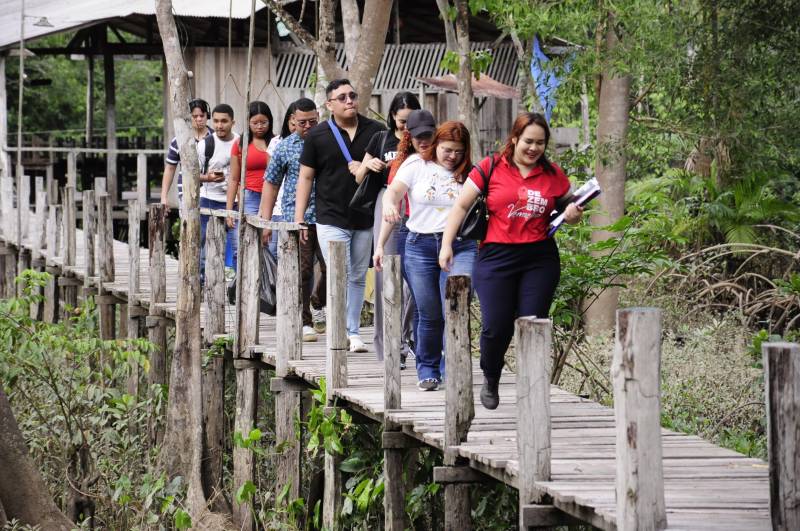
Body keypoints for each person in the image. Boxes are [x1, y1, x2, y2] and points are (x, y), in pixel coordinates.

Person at [438, 112, 584, 409]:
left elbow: (571, 210)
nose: (533, 148)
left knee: (534, 324)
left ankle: (531, 390)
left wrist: (573, 215)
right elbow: (461, 206)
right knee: (496, 325)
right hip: (496, 256)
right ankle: (491, 376)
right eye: (528, 141)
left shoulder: (553, 174)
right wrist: (446, 245)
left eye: (540, 143)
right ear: (515, 138)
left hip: (539, 257)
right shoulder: (490, 168)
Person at [375, 121, 477, 391]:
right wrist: (387, 206)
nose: (451, 156)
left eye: (458, 151)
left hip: (460, 246)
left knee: (454, 306)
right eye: (446, 149)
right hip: (420, 244)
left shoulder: (470, 173)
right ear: (435, 145)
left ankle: (453, 366)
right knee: (429, 312)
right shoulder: (416, 165)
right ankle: (428, 368)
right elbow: (394, 193)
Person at [295, 79, 385, 353]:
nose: (349, 101)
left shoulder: (376, 132)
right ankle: (339, 329)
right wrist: (300, 219)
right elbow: (306, 177)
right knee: (339, 273)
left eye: (352, 96)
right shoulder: (318, 135)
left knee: (357, 275)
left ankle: (353, 331)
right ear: (330, 104)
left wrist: (371, 166)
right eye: (342, 97)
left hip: (364, 215)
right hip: (329, 216)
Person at [355, 92, 421, 364]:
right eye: (402, 120)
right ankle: (387, 345)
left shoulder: (425, 139)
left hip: (418, 203)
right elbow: (358, 175)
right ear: (393, 116)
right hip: (387, 201)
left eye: (411, 121)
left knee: (415, 278)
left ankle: (407, 338)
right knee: (386, 275)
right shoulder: (380, 139)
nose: (406, 127)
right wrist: (368, 165)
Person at [260, 98, 322, 342]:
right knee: (304, 268)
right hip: (296, 217)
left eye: (313, 122)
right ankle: (305, 320)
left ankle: (318, 302)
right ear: (292, 122)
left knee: (331, 267)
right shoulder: (284, 147)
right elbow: (271, 183)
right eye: (303, 122)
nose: (308, 126)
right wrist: (265, 222)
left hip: (328, 215)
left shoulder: (328, 142)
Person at [199, 103, 239, 280]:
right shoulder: (205, 145)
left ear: (233, 122)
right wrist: (208, 178)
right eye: (215, 121)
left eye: (224, 121)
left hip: (236, 203)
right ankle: (204, 282)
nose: (219, 125)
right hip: (209, 199)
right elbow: (191, 175)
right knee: (206, 247)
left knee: (237, 246)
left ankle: (235, 288)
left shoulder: (240, 142)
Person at [226, 101, 275, 228]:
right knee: (248, 236)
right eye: (255, 123)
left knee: (271, 240)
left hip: (273, 195)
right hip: (250, 195)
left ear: (270, 122)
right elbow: (233, 178)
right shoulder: (240, 144)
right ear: (248, 122)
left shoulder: (276, 142)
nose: (259, 126)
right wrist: (229, 210)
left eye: (264, 122)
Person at [160, 98, 213, 207]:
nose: (199, 119)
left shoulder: (215, 138)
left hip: (212, 194)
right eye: (195, 116)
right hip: (186, 193)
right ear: (189, 118)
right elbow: (170, 168)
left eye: (202, 116)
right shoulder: (179, 140)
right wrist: (164, 196)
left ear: (207, 115)